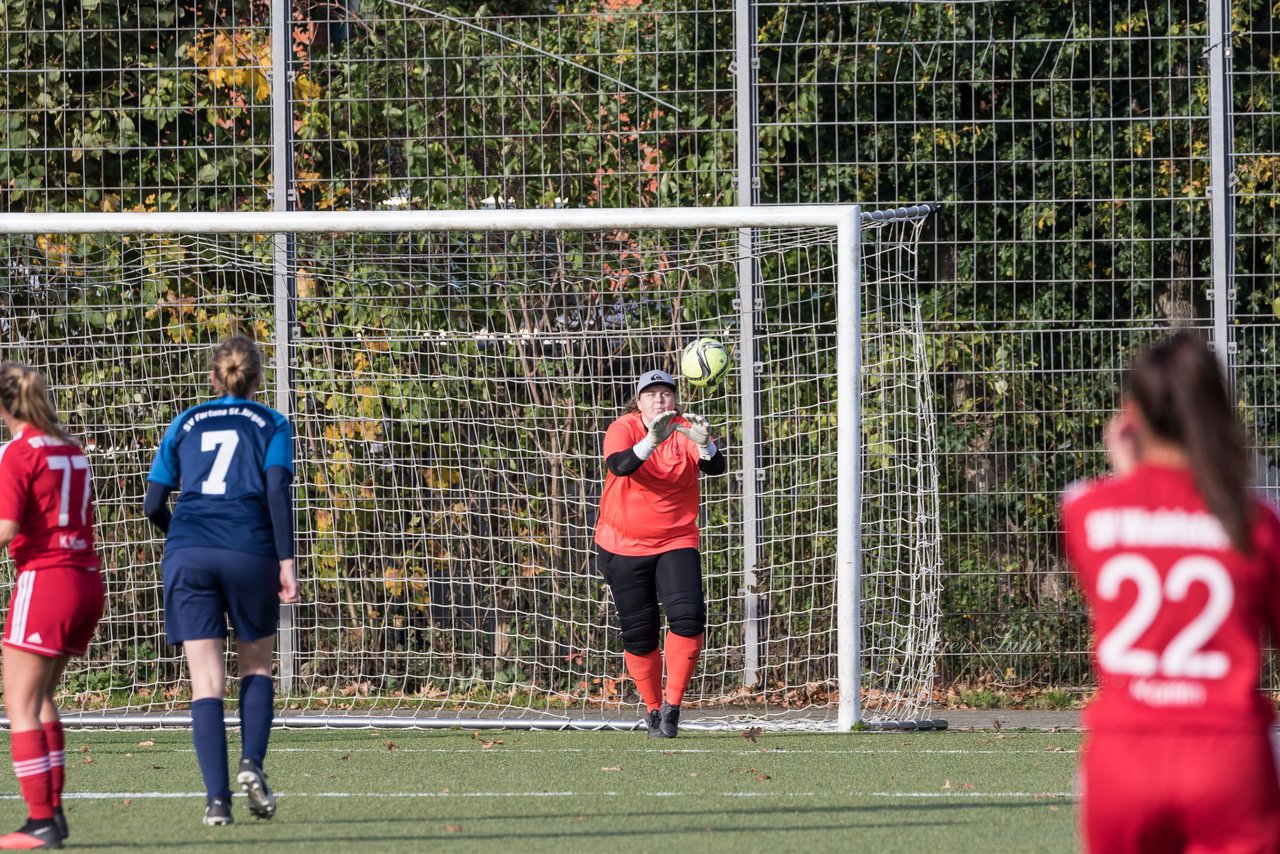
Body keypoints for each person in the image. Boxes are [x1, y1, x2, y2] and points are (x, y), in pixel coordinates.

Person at [1060, 332, 1280, 853]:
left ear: (1131, 413)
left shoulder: (1085, 511)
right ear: (1216, 411)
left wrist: (1131, 477)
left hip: (1123, 761)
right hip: (1229, 761)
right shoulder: (1258, 525)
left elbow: (1146, 532)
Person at [144, 335, 299, 827]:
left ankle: (217, 802)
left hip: (188, 553)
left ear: (214, 378)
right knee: (256, 667)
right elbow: (276, 488)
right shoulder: (273, 423)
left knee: (205, 683)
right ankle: (252, 762)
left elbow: (151, 503)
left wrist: (183, 540)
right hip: (249, 549)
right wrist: (286, 560)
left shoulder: (185, 421)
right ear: (257, 379)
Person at [0, 363, 104, 849]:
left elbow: (7, 531)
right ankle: (53, 817)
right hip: (86, 579)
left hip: (46, 579)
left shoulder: (20, 453)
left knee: (17, 703)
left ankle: (41, 822)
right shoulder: (71, 447)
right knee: (40, 699)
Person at [595, 369, 727, 738]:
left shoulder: (684, 427)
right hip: (621, 544)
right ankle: (653, 711)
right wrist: (650, 442)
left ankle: (672, 708)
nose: (659, 400)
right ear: (638, 402)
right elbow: (619, 465)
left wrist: (706, 445)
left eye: (666, 393)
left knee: (688, 617)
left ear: (675, 400)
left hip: (676, 540)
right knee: (640, 633)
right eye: (651, 394)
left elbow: (715, 467)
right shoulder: (624, 427)